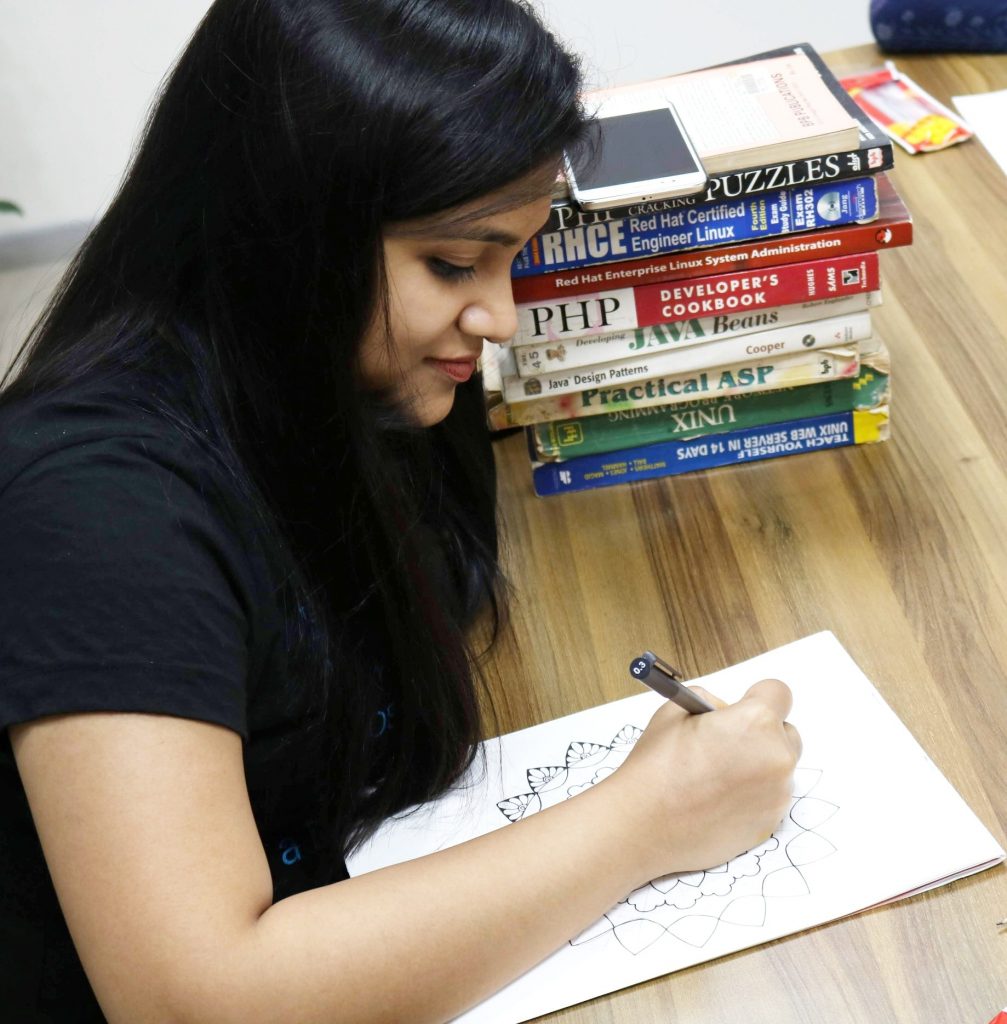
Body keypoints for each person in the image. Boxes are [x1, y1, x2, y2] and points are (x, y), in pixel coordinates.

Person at [0, 1, 802, 1020]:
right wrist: (649, 816)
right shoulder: (95, 513)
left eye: (513, 254)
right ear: (287, 230)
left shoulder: (339, 380)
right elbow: (191, 997)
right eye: (453, 263)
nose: (499, 318)